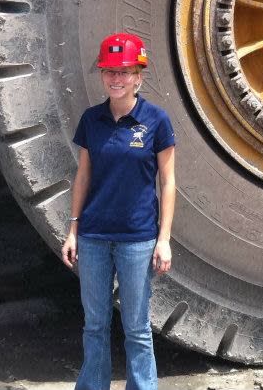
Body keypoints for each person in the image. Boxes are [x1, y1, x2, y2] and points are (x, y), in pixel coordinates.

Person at [62, 32, 176, 390]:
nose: (116, 78)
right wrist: (73, 230)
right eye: (110, 71)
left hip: (137, 241)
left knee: (137, 328)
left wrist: (164, 239)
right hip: (94, 238)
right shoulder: (91, 120)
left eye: (125, 71)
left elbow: (168, 182)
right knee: (94, 325)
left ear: (139, 75)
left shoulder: (156, 121)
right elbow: (83, 176)